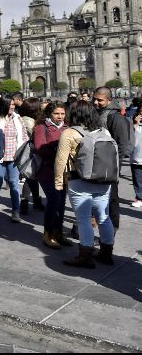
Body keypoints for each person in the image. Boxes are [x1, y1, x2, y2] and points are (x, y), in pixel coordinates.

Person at [55, 100, 115, 268]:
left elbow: (61, 160)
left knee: (83, 219)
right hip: (104, 180)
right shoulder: (104, 131)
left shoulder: (69, 133)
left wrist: (59, 182)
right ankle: (106, 252)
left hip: (79, 180)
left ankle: (85, 256)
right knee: (103, 217)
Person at [93, 87, 133, 231]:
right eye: (95, 99)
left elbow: (123, 144)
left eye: (100, 100)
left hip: (111, 164)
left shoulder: (115, 117)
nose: (96, 102)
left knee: (111, 198)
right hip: (99, 162)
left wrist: (116, 164)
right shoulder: (100, 113)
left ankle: (112, 229)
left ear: (109, 100)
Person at [33, 101, 69, 248]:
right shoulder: (41, 128)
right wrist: (60, 146)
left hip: (64, 172)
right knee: (53, 201)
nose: (60, 117)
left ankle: (58, 232)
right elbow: (40, 148)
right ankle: (48, 233)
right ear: (49, 114)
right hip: (47, 171)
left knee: (61, 204)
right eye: (56, 114)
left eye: (62, 114)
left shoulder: (67, 128)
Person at [0, 94, 29, 222]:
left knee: (14, 183)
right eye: (10, 105)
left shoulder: (17, 118)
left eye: (13, 105)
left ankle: (15, 211)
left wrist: (23, 153)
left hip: (14, 157)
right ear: (3, 105)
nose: (12, 107)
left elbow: (24, 136)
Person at [19, 97, 45, 215]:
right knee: (31, 177)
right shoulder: (29, 121)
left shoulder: (23, 119)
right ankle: (28, 202)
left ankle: (32, 201)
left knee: (30, 178)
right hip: (30, 152)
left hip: (26, 152)